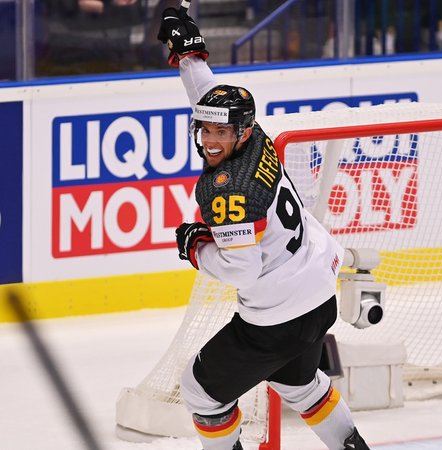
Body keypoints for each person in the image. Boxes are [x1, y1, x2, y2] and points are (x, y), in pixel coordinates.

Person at [157, 8, 369, 450]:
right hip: (318, 291)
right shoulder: (255, 136)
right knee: (300, 384)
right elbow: (209, 96)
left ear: (240, 131)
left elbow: (241, 271)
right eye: (206, 129)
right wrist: (189, 53)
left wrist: (197, 248)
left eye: (220, 132)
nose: (211, 140)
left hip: (278, 315)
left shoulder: (228, 189)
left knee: (200, 391)